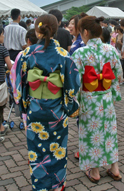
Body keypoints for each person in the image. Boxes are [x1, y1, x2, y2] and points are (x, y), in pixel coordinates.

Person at [15, 14, 80, 191]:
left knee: (37, 152)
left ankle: (40, 186)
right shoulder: (64, 55)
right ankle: (58, 185)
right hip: (57, 111)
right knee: (58, 150)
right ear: (56, 29)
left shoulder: (27, 53)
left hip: (35, 110)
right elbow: (73, 85)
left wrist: (24, 106)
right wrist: (70, 105)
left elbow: (19, 85)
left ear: (37, 30)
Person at [71, 16, 122, 183]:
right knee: (109, 131)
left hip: (88, 98)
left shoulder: (80, 53)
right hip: (106, 98)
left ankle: (94, 171)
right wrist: (113, 93)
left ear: (85, 32)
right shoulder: (111, 50)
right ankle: (114, 168)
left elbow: (75, 80)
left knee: (91, 133)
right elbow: (118, 75)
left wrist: (75, 99)